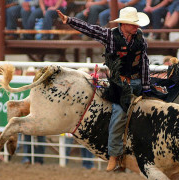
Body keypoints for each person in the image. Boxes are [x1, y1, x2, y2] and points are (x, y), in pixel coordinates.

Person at [57, 6, 151, 171]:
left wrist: (146, 86)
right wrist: (69, 20)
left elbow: (144, 63)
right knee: (119, 114)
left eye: (136, 24)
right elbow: (90, 29)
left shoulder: (140, 39)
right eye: (133, 23)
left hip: (136, 82)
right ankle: (114, 154)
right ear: (124, 24)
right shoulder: (110, 36)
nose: (136, 26)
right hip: (118, 85)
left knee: (155, 108)